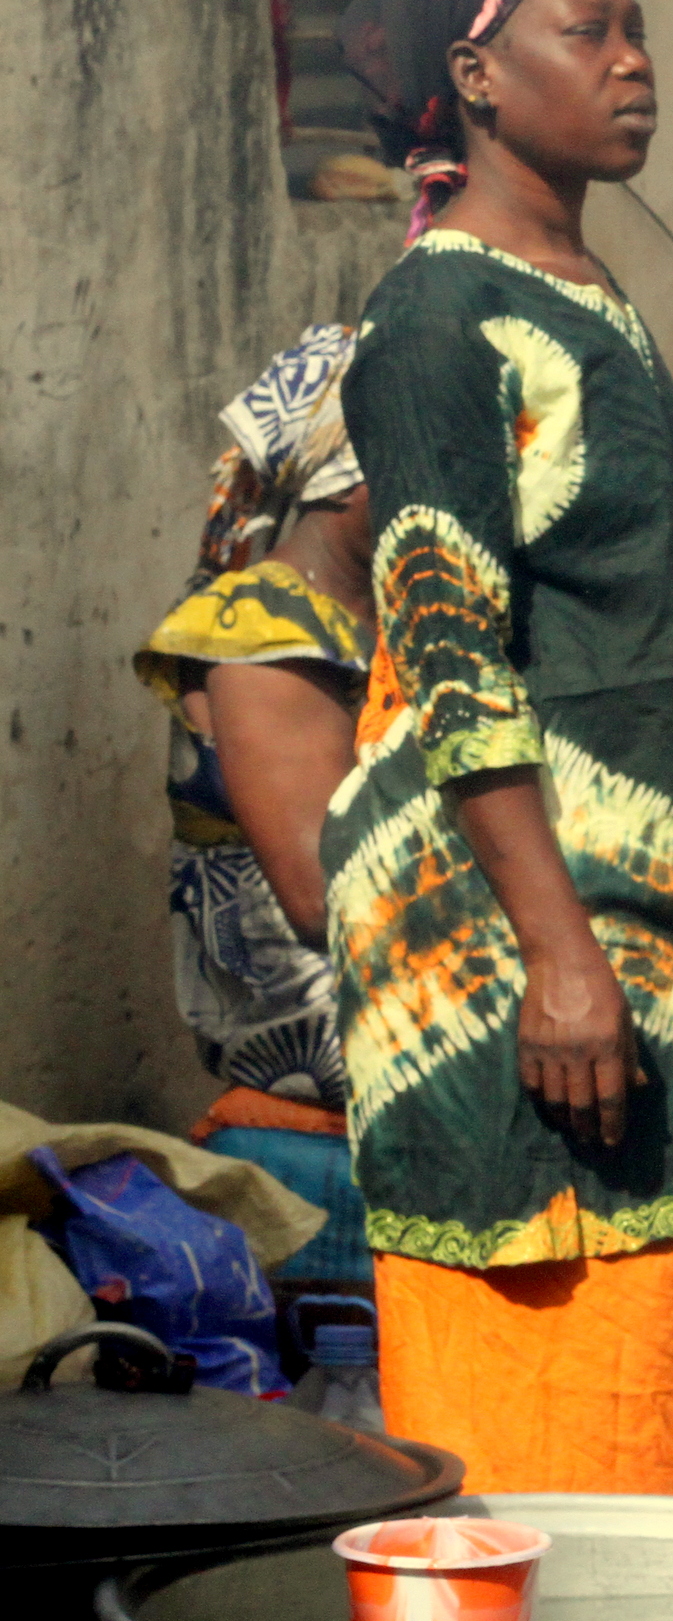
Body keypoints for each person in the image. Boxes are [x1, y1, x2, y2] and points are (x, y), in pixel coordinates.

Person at [324, 0, 673, 1499]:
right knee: (573, 1452)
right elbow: (449, 651)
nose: (634, 64)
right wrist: (557, 956)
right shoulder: (435, 324)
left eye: (635, 30)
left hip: (655, 939)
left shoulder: (573, 288)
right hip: (535, 967)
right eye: (587, 33)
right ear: (473, 77)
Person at [132, 327, 375, 1286]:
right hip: (319, 1149)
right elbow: (324, 896)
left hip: (375, 1117)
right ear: (349, 476)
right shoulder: (260, 632)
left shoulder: (379, 620)